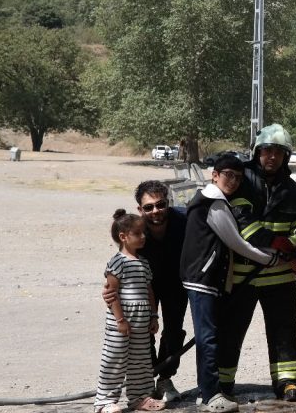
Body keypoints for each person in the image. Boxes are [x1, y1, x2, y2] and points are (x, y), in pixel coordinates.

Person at [218, 124, 296, 402]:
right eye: (267, 151)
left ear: (285, 156)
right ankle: (222, 383)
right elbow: (241, 220)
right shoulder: (242, 181)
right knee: (231, 330)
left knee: (284, 330)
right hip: (243, 275)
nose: (272, 157)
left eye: (278, 152)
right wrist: (274, 242)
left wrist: (293, 242)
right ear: (257, 152)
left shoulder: (292, 189)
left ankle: (287, 381)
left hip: (280, 276)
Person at [181, 155, 277, 413]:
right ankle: (211, 396)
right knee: (208, 338)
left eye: (238, 177)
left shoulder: (209, 199)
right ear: (215, 175)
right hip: (203, 279)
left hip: (202, 279)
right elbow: (237, 242)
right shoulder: (214, 203)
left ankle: (206, 393)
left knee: (208, 336)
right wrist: (269, 258)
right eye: (228, 175)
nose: (233, 181)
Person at [102, 181, 189, 402]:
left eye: (160, 204)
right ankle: (145, 381)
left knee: (173, 331)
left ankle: (165, 378)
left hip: (176, 284)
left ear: (168, 203)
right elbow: (122, 260)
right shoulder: (136, 229)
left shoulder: (184, 220)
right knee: (142, 333)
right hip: (143, 286)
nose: (156, 211)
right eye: (149, 207)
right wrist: (112, 290)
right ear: (140, 209)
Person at [93, 210, 166, 413]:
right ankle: (104, 402)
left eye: (144, 233)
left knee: (140, 361)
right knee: (114, 359)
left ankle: (140, 398)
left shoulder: (143, 262)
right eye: (137, 233)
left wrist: (153, 316)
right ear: (123, 236)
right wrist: (120, 320)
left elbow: (149, 291)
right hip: (121, 322)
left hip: (141, 322)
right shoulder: (117, 262)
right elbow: (112, 294)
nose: (143, 237)